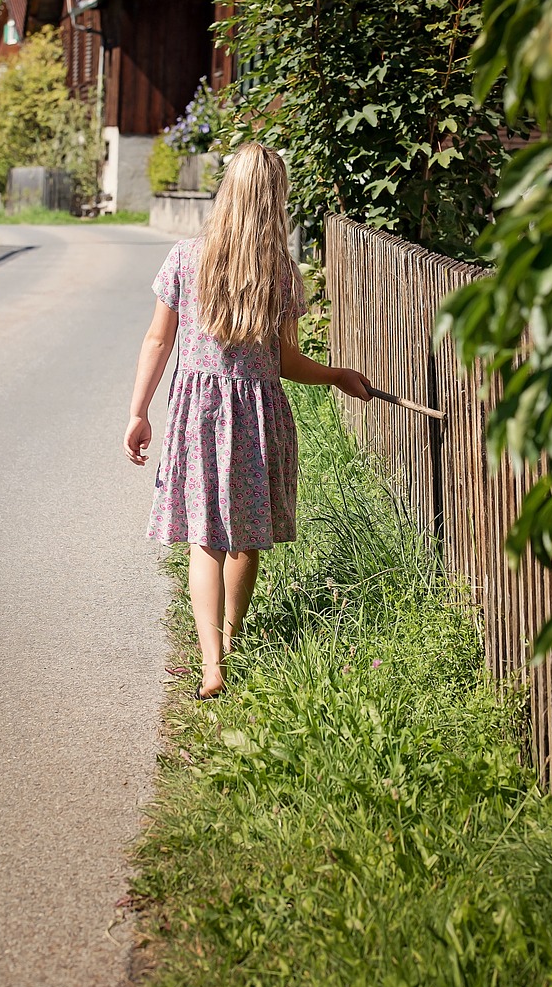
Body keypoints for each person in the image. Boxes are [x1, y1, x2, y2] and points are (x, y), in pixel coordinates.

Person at [124, 142, 370, 700]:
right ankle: (232, 640)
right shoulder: (279, 271)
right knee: (246, 534)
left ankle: (211, 661)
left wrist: (139, 411)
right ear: (276, 200)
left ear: (227, 191)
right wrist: (335, 375)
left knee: (203, 538)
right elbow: (285, 360)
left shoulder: (187, 257)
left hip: (199, 414)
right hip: (257, 412)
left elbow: (158, 339)